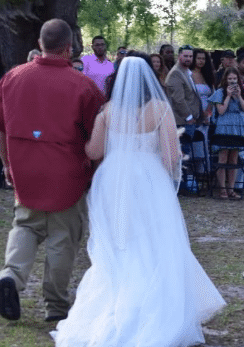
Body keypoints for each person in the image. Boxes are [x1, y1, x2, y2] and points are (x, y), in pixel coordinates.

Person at [51, 56, 225, 345]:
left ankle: (116, 304)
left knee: (120, 244)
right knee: (153, 242)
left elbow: (93, 152)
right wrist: (168, 170)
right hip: (148, 180)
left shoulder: (107, 111)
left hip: (113, 181)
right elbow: (171, 157)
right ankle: (152, 308)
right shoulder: (159, 109)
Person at [0, 19, 105, 322]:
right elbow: (94, 136)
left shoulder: (12, 77)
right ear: (69, 48)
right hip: (66, 172)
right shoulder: (82, 85)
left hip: (24, 167)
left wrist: (7, 163)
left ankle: (11, 276)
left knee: (26, 225)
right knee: (63, 237)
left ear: (40, 42)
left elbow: (2, 128)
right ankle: (55, 306)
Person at [208, 67, 244, 200]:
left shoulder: (240, 92)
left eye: (234, 78)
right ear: (225, 79)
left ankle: (231, 189)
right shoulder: (220, 92)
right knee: (223, 158)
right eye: (230, 78)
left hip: (237, 126)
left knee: (233, 159)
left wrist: (238, 96)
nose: (232, 81)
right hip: (223, 125)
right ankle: (222, 189)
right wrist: (228, 95)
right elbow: (220, 111)